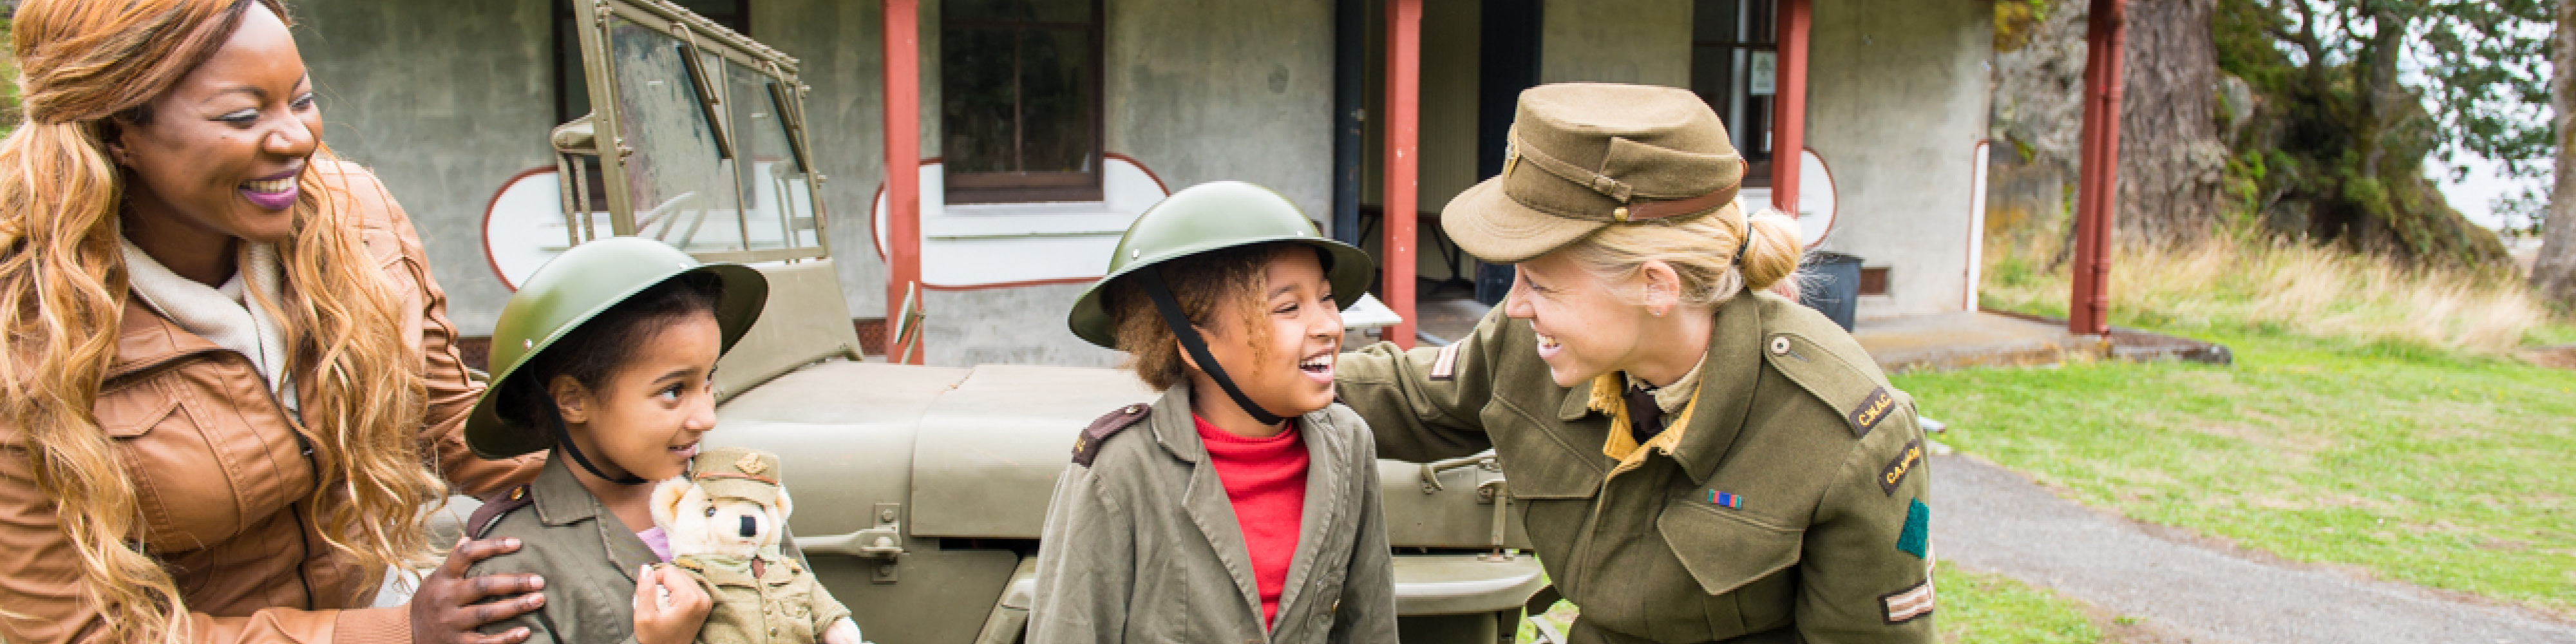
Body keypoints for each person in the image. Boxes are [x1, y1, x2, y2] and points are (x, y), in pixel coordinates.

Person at [0, 1, 555, 642]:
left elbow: (455, 424)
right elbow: (74, 631)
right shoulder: (27, 333)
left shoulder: (357, 221)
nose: (298, 139)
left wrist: (644, 461)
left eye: (301, 99)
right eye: (242, 115)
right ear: (117, 129)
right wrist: (391, 631)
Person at [1335, 83, 1938, 643]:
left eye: (1541, 284)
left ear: (1656, 287)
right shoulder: (1531, 345)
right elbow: (1406, 396)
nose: (1513, 307)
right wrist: (1263, 378)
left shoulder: (1846, 438)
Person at [1030, 182, 1397, 644]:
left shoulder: (1347, 443)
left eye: (1326, 299)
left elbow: (1370, 626)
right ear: (1195, 343)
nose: (1328, 325)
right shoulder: (1119, 473)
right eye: (1288, 308)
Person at [453, 237, 857, 644]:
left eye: (708, 380)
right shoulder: (512, 563)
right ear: (574, 401)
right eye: (673, 391)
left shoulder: (735, 492)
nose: (707, 417)